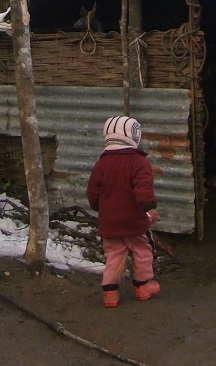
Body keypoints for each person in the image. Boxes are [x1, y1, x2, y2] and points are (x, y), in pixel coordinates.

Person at [86, 115, 161, 308]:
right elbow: (143, 188)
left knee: (114, 255)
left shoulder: (101, 164)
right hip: (134, 223)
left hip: (109, 223)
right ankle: (143, 286)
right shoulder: (139, 162)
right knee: (142, 251)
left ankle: (110, 294)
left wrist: (99, 208)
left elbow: (92, 192)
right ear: (134, 136)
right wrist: (150, 208)